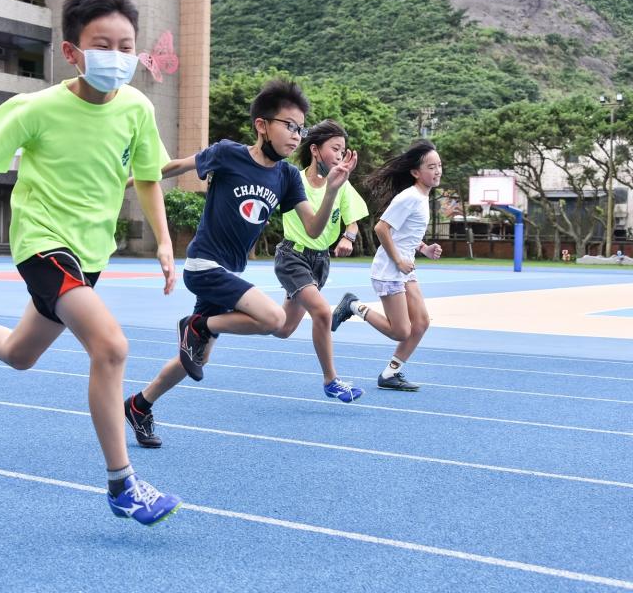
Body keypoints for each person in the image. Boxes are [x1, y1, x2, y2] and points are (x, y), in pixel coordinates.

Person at [0, 0, 181, 526]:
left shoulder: (139, 108)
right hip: (43, 244)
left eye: (127, 46)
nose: (117, 57)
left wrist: (164, 241)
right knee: (112, 347)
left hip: (92, 252)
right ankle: (123, 485)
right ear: (73, 52)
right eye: (104, 45)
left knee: (20, 355)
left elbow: (146, 177)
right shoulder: (35, 108)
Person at [123, 79, 356, 448]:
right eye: (289, 126)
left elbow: (313, 227)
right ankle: (197, 325)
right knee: (275, 319)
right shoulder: (228, 153)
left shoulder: (287, 176)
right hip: (203, 264)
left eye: (302, 128)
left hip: (228, 272)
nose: (296, 136)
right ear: (262, 125)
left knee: (194, 360)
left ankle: (140, 403)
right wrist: (127, 181)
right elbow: (175, 167)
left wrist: (331, 191)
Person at [330, 139, 443, 391]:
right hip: (389, 271)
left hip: (404, 270)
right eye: (431, 166)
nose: (437, 171)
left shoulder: (422, 197)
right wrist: (399, 260)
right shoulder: (410, 197)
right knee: (401, 331)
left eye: (439, 165)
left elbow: (406, 234)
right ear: (416, 172)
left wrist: (423, 248)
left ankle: (391, 374)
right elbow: (382, 228)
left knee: (422, 323)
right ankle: (353, 306)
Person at [271, 119, 368, 402]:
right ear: (315, 150)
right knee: (323, 313)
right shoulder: (293, 180)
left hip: (320, 262)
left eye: (343, 150)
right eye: (335, 148)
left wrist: (348, 237)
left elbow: (353, 222)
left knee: (283, 328)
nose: (340, 155)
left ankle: (214, 323)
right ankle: (331, 381)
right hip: (292, 255)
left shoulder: (341, 184)